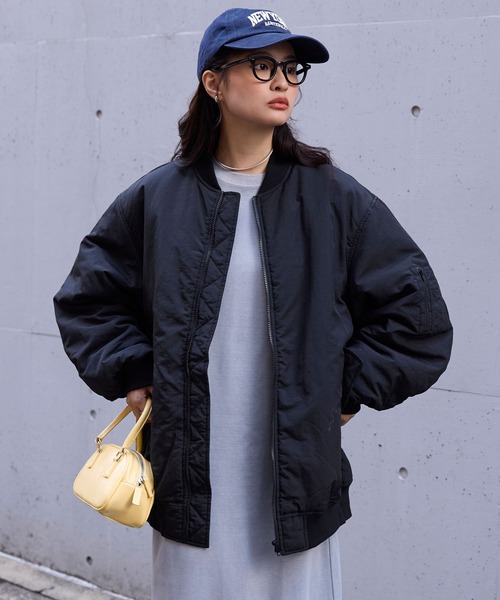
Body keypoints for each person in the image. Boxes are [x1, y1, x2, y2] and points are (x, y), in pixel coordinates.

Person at [54, 7, 453, 600]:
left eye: (292, 69)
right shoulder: (158, 198)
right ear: (214, 83)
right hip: (190, 471)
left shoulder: (334, 200)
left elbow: (417, 319)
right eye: (262, 65)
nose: (281, 81)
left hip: (297, 476)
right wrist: (134, 371)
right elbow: (89, 299)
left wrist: (343, 389)